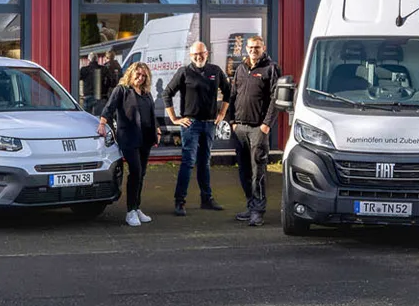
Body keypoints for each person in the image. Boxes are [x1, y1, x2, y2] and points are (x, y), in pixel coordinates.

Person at [162, 41, 234, 216]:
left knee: (205, 162)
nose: (198, 57)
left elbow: (228, 91)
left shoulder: (215, 71)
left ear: (206, 53)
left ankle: (206, 199)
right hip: (191, 124)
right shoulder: (184, 72)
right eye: (194, 54)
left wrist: (221, 113)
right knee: (188, 161)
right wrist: (174, 119)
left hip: (209, 124)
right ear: (190, 55)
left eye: (201, 53)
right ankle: (180, 201)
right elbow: (167, 93)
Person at [226, 36, 282, 227]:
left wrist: (266, 124)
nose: (253, 50)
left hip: (258, 128)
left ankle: (258, 211)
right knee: (244, 171)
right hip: (240, 128)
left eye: (256, 47)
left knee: (258, 171)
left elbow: (276, 99)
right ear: (246, 49)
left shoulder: (271, 68)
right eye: (250, 47)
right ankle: (251, 205)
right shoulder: (240, 68)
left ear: (263, 48)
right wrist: (232, 121)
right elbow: (233, 96)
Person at [99, 62, 159, 227]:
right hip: (129, 138)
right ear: (131, 74)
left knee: (142, 173)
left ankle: (137, 207)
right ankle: (130, 211)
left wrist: (157, 130)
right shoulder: (122, 90)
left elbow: (151, 114)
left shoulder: (146, 93)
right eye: (138, 75)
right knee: (136, 172)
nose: (140, 78)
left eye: (143, 76)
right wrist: (102, 124)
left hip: (145, 138)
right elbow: (109, 107)